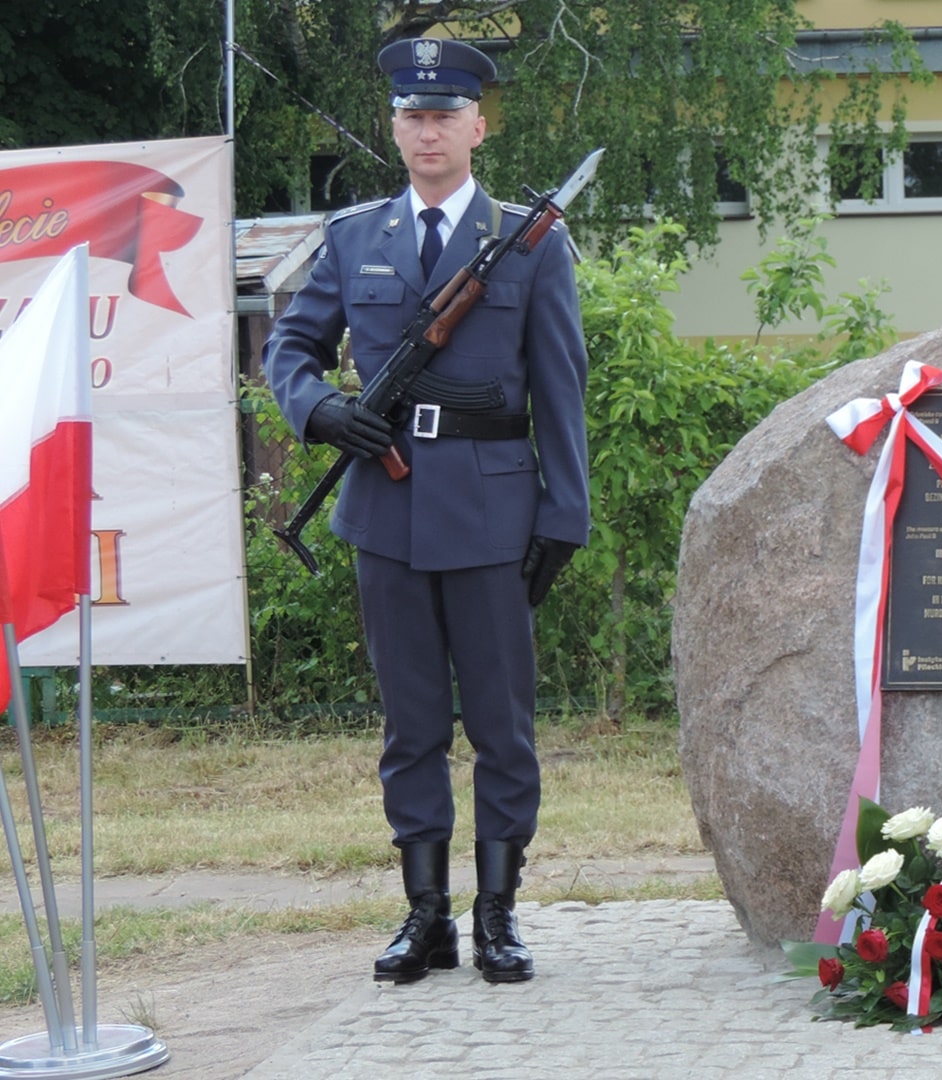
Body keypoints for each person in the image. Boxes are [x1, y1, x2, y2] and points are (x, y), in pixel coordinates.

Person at [264, 36, 589, 985]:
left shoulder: (532, 239)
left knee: (501, 726)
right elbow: (290, 347)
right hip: (387, 512)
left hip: (493, 515)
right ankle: (425, 917)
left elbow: (560, 386)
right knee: (410, 727)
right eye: (413, 114)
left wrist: (563, 514)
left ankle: (497, 915)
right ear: (393, 126)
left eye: (447, 113)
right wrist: (320, 410)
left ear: (479, 126)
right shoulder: (356, 235)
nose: (429, 128)